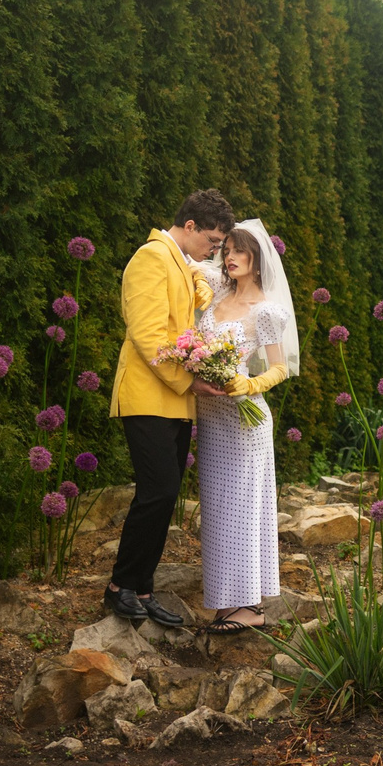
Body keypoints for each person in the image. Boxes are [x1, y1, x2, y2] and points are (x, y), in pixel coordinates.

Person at [106, 189, 238, 627]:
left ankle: (142, 590)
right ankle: (120, 587)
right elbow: (147, 335)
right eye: (213, 242)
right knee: (157, 491)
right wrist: (190, 380)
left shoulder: (182, 262)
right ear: (190, 226)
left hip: (176, 402)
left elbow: (191, 311)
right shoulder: (150, 257)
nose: (215, 251)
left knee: (165, 497)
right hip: (148, 395)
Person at [193, 221, 294, 629]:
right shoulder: (215, 294)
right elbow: (185, 260)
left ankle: (248, 607)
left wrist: (248, 383)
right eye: (226, 250)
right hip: (211, 416)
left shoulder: (266, 310)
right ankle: (227, 599)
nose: (229, 257)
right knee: (217, 507)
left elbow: (280, 368)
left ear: (257, 261)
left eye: (239, 252)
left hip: (244, 418)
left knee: (242, 507)